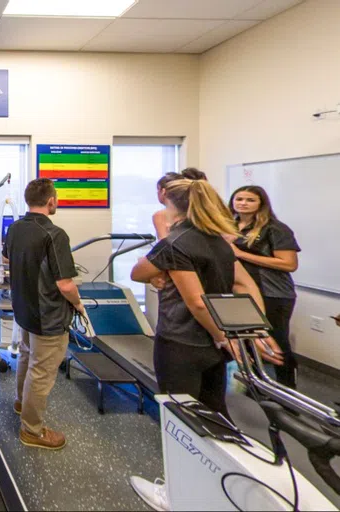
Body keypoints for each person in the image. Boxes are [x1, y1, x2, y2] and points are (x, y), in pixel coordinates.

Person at [128, 178, 283, 511]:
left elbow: (191, 300)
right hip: (213, 348)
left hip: (182, 341)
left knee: (178, 418)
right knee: (215, 412)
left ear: (171, 202)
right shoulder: (219, 243)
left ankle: (175, 494)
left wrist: (221, 334)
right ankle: (220, 481)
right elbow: (242, 285)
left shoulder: (177, 242)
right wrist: (250, 331)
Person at [3, 178, 84, 451]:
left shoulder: (14, 228)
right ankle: (32, 429)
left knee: (27, 355)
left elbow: (6, 258)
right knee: (41, 370)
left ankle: (21, 403)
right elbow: (65, 284)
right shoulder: (55, 234)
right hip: (47, 314)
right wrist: (79, 305)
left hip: (24, 308)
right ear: (51, 201)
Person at [228, 185, 301, 388]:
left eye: (250, 200)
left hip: (273, 293)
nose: (243, 203)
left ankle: (288, 390)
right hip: (240, 293)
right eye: (239, 198)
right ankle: (257, 388)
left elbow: (289, 264)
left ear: (261, 203)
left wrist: (241, 254)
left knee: (277, 341)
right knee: (247, 342)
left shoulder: (275, 228)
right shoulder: (229, 227)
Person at [152, 168, 208, 240]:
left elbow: (164, 245)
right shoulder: (200, 212)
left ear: (163, 191)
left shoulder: (160, 216)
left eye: (158, 189)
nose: (157, 193)